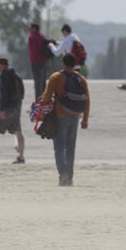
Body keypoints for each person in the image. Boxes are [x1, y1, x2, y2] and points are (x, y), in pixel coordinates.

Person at [38, 53, 90, 186]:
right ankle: (70, 177)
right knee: (70, 148)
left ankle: (63, 174)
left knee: (59, 148)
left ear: (63, 63)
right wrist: (85, 119)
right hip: (75, 116)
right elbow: (87, 100)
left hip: (60, 115)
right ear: (74, 64)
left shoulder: (56, 77)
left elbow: (46, 98)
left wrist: (41, 107)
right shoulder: (81, 78)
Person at [0, 56, 25, 165]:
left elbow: (4, 94)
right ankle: (21, 157)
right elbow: (22, 92)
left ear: (1, 65)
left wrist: (2, 109)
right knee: (18, 131)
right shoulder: (16, 76)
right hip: (17, 107)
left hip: (7, 108)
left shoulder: (4, 76)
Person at [28, 23, 55, 99]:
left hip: (36, 62)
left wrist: (33, 60)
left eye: (30, 28)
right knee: (43, 82)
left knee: (37, 83)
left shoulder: (32, 37)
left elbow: (34, 50)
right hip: (44, 61)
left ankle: (38, 101)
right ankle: (44, 100)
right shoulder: (41, 35)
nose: (29, 29)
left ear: (34, 28)